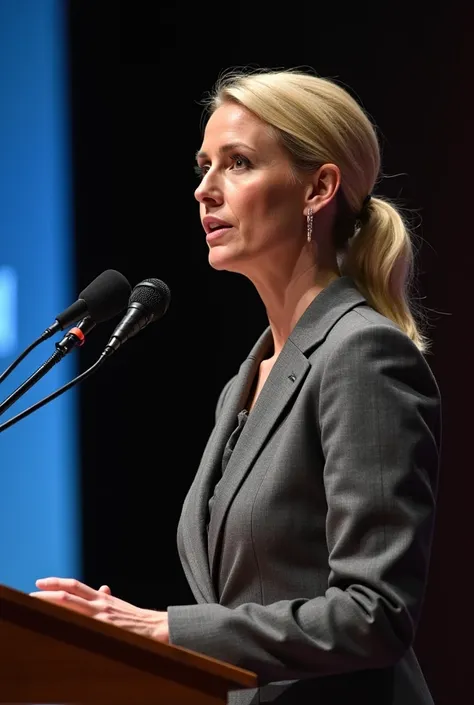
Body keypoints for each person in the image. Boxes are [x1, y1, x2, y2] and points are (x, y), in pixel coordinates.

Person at [31, 67, 441, 705]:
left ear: (319, 188)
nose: (204, 190)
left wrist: (168, 629)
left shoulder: (362, 353)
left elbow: (375, 613)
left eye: (238, 163)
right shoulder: (247, 381)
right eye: (203, 165)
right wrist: (130, 633)